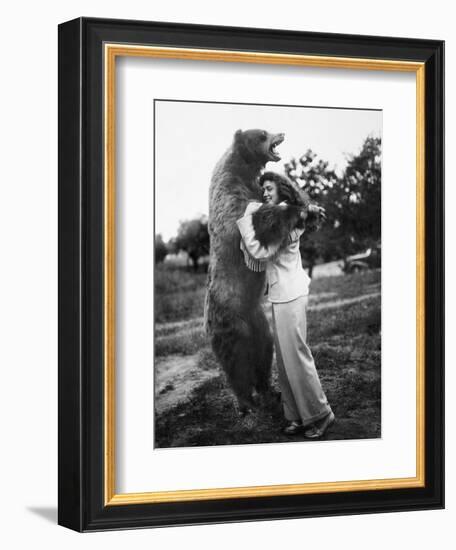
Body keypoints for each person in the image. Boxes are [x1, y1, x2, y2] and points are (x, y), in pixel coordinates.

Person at [236, 172, 335, 438]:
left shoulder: (287, 219)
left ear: (282, 190)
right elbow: (264, 215)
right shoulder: (282, 215)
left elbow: (260, 252)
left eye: (269, 188)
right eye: (263, 190)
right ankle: (297, 415)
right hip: (282, 294)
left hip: (291, 293)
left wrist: (245, 222)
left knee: (297, 357)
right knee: (285, 360)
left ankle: (321, 414)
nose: (264, 193)